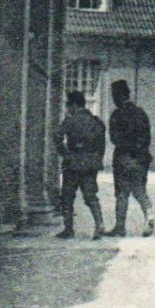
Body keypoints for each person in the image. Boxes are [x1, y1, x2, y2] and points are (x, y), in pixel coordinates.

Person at [105, 80, 155, 237]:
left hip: (123, 158)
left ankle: (120, 227)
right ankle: (149, 214)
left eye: (114, 95)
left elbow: (114, 139)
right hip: (141, 158)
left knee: (121, 194)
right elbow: (147, 137)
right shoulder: (141, 113)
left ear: (118, 96)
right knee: (140, 190)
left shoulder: (116, 114)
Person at [54, 90, 106, 239]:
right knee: (91, 196)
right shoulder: (96, 121)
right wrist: (96, 160)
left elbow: (57, 136)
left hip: (73, 164)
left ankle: (69, 229)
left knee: (67, 197)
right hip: (90, 164)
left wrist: (65, 153)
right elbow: (101, 145)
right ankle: (99, 224)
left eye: (68, 105)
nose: (68, 108)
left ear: (75, 105)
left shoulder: (70, 120)